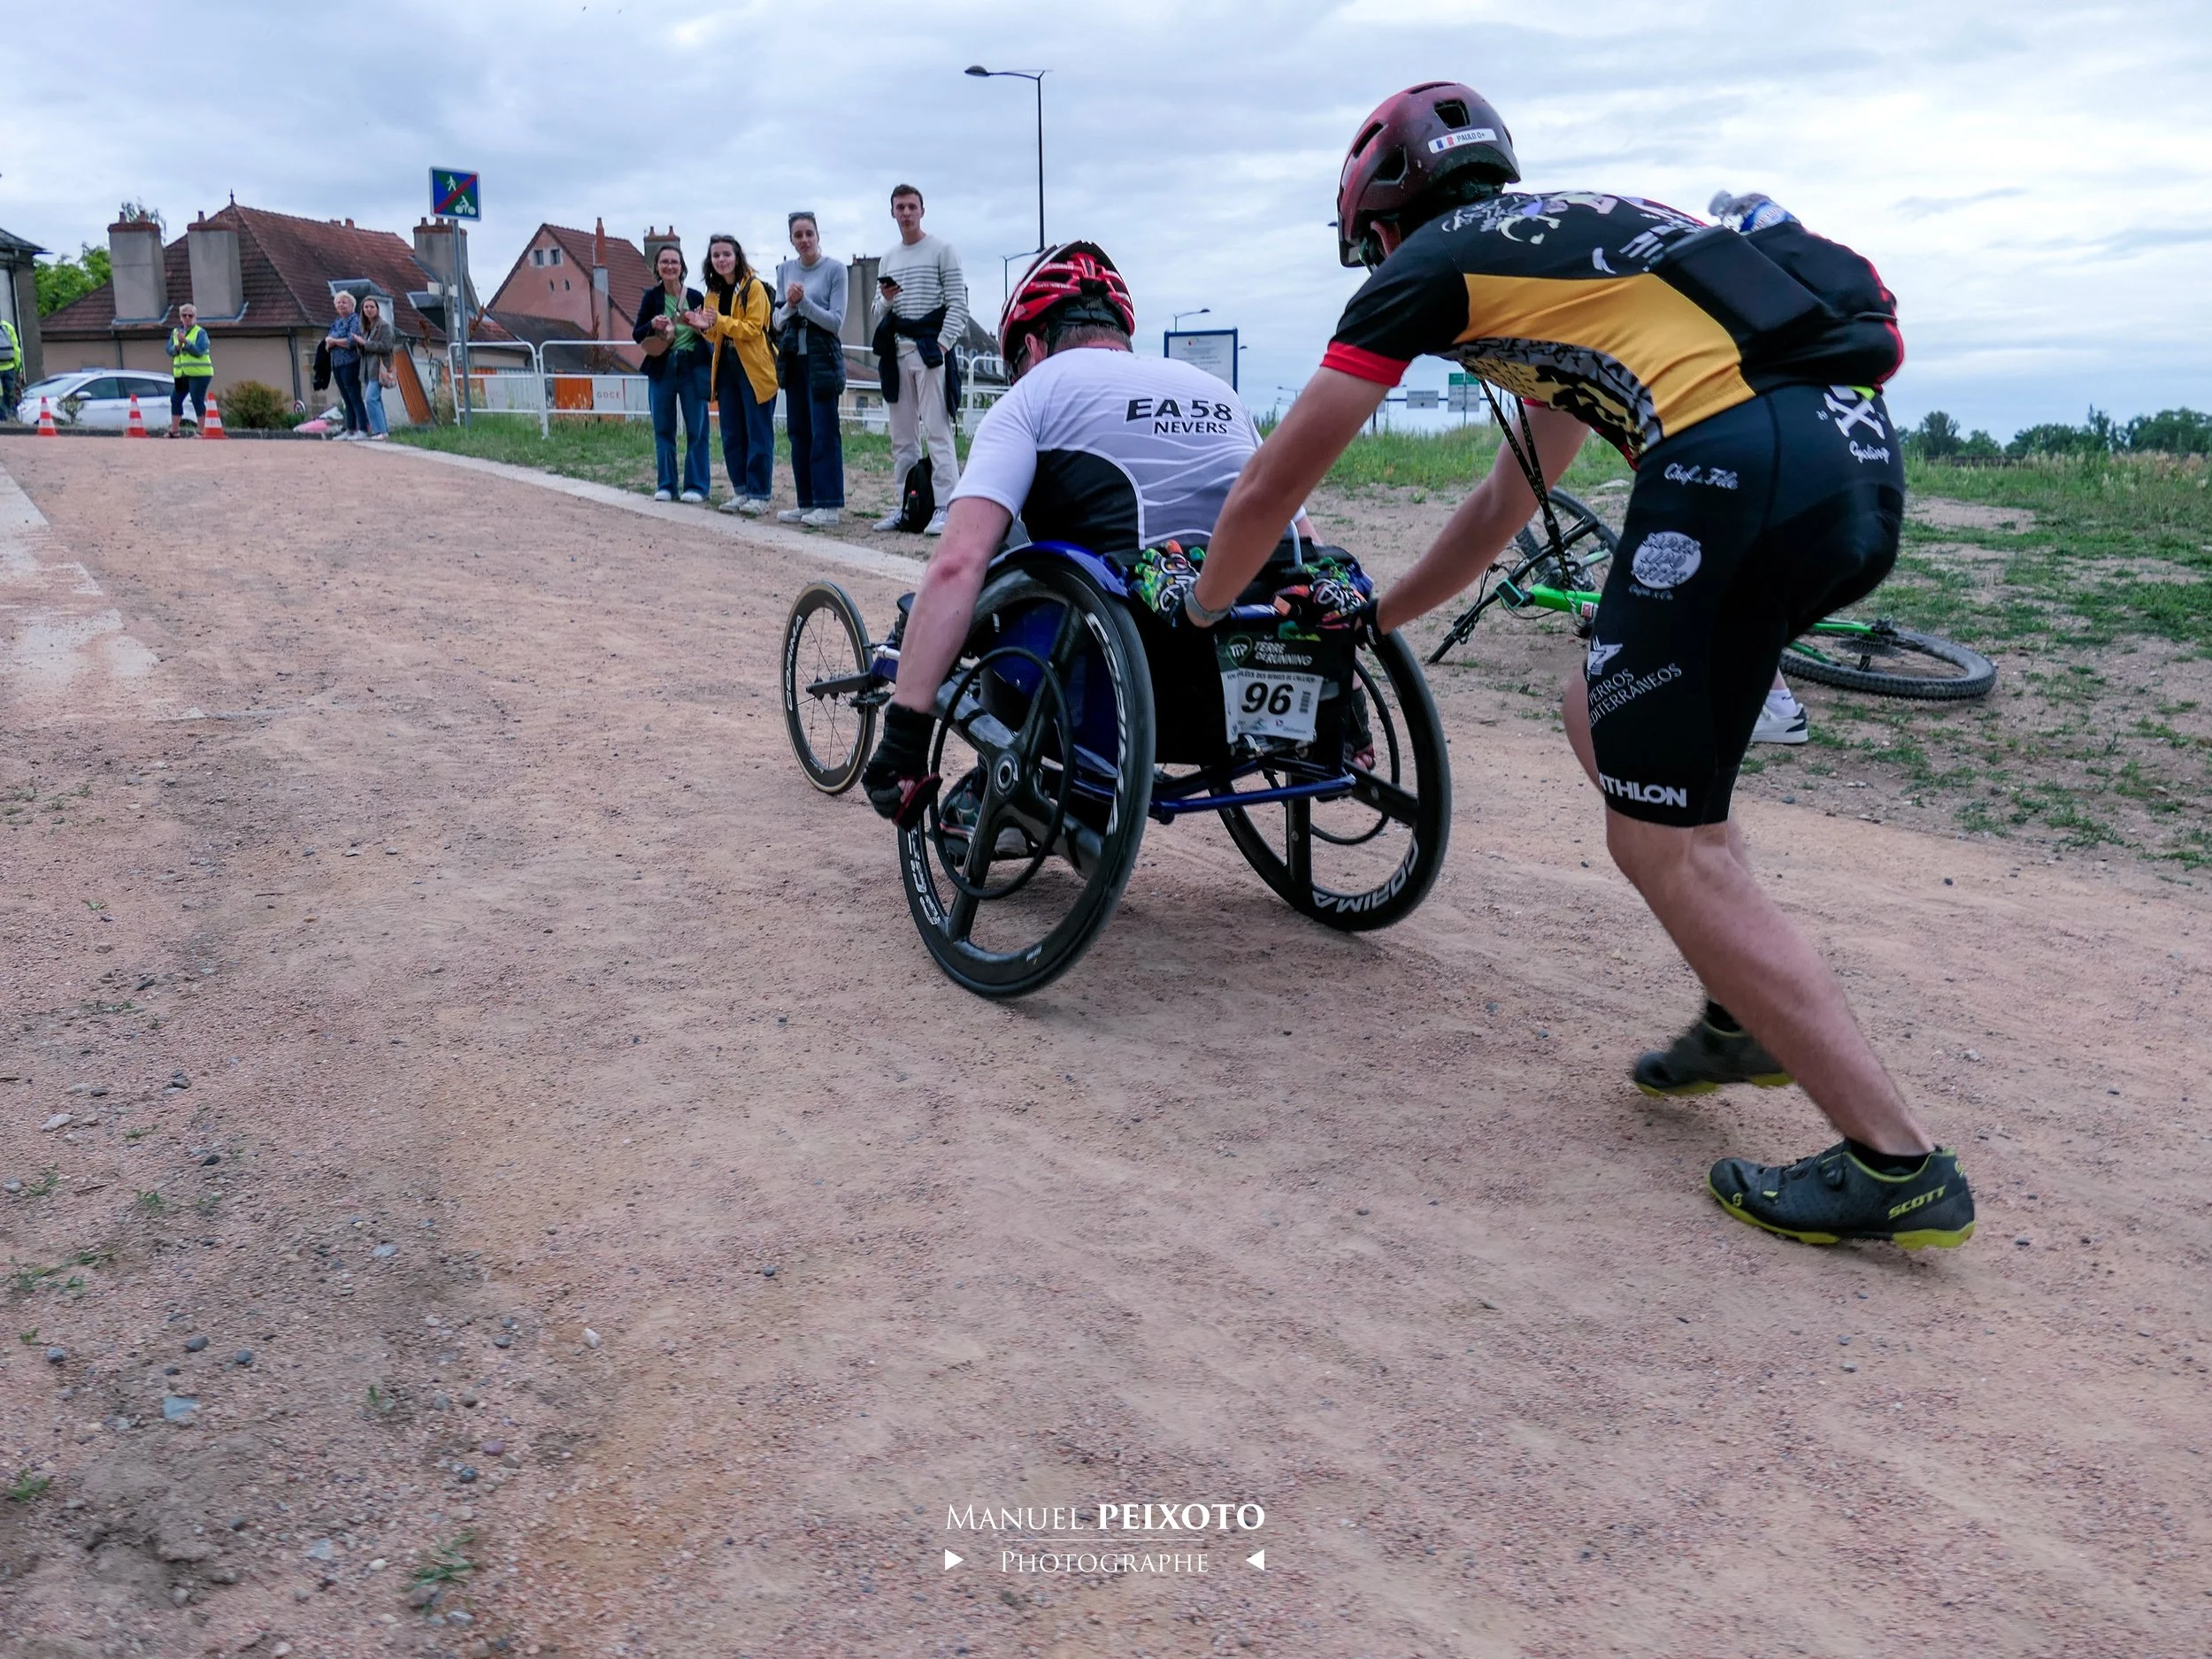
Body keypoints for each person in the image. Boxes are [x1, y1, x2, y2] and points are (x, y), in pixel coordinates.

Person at [1194, 82, 1974, 1251]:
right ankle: (1744, 1008)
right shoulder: (1570, 255)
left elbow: (1272, 482)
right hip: (1844, 462)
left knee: (1662, 836)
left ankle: (1897, 1163)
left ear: (1379, 222)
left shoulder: (1430, 266)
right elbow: (1510, 500)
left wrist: (1209, 606)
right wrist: (1381, 617)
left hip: (1738, 462)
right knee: (1598, 710)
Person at [860, 242, 1313, 825]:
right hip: (1257, 680)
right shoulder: (1220, 393)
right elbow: (1305, 546)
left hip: (1118, 685)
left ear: (1031, 346)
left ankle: (1007, 786)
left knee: (1002, 560)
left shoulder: (1035, 393)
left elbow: (956, 564)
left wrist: (904, 736)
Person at [872, 184, 966, 534]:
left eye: (912, 207)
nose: (907, 213)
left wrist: (942, 345)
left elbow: (958, 303)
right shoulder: (888, 257)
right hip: (897, 351)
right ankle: (906, 505)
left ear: (922, 211)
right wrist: (885, 299)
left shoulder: (943, 250)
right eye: (900, 207)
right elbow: (877, 309)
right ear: (893, 212)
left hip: (928, 352)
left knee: (938, 430)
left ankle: (945, 506)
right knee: (902, 436)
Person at [774, 212, 849, 527]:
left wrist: (803, 304)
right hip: (794, 359)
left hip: (822, 359)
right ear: (791, 239)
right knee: (799, 433)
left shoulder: (835, 270)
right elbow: (777, 321)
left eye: (809, 234)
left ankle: (828, 504)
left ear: (818, 236)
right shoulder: (785, 270)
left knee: (824, 432)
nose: (804, 240)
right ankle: (806, 502)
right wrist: (791, 305)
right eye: (798, 235)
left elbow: (835, 322)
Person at [700, 234, 777, 515]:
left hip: (754, 365)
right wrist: (703, 326)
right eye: (716, 255)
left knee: (758, 431)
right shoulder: (714, 291)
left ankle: (760, 493)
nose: (721, 260)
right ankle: (741, 490)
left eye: (726, 254)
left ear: (737, 256)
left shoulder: (753, 287)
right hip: (726, 365)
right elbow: (713, 333)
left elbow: (753, 328)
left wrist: (717, 321)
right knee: (731, 431)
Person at [632, 243, 712, 503]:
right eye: (664, 262)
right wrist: (652, 324)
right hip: (662, 368)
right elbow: (637, 334)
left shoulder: (697, 297)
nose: (669, 266)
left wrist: (699, 326)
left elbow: (710, 332)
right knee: (663, 429)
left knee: (697, 430)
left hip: (692, 366)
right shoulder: (650, 297)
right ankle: (666, 485)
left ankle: (696, 486)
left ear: (682, 267)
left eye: (674, 262)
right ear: (657, 267)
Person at [324, 292, 369, 441]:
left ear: (351, 305)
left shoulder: (355, 320)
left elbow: (351, 341)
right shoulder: (336, 322)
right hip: (336, 363)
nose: (341, 305)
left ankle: (362, 428)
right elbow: (329, 338)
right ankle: (350, 429)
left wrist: (335, 341)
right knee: (346, 397)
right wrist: (332, 341)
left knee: (354, 396)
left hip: (350, 363)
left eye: (344, 302)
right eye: (338, 303)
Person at [165, 303, 214, 437]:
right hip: (182, 374)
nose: (187, 318)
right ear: (180, 317)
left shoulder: (201, 333)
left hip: (199, 374)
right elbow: (169, 350)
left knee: (196, 399)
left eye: (190, 315)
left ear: (195, 317)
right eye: (184, 315)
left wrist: (185, 343)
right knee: (175, 399)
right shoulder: (175, 333)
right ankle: (174, 431)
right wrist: (178, 346)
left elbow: (199, 351)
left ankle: (202, 431)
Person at [357, 296, 396, 442]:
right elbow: (364, 350)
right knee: (376, 400)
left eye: (372, 307)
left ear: (377, 309)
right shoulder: (366, 328)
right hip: (367, 369)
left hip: (379, 369)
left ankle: (380, 430)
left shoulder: (384, 326)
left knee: (371, 399)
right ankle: (383, 431)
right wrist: (359, 345)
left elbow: (386, 346)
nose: (369, 309)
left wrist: (365, 343)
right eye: (366, 307)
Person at [0, 312, 21, 422]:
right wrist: (18, 369)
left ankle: (2, 420)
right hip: (10, 367)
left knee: (0, 397)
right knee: (11, 394)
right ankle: (13, 418)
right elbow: (16, 350)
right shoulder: (8, 327)